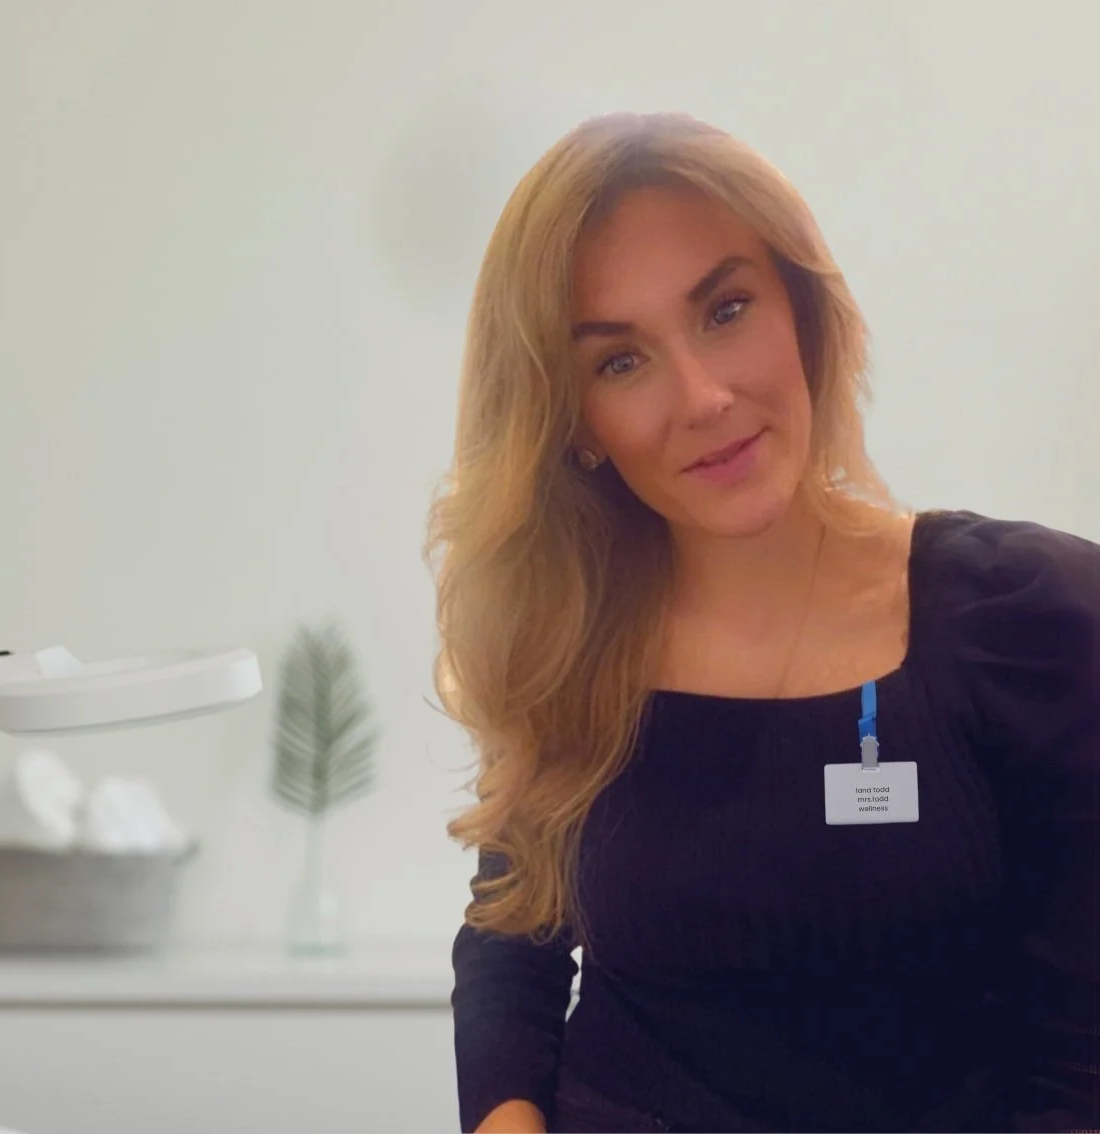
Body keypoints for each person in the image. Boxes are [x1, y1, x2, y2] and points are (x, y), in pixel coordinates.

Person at [424, 111, 1098, 1133]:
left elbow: (1079, 1054)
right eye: (619, 362)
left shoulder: (1030, 618)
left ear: (803, 309)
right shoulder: (570, 643)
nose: (702, 398)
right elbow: (511, 934)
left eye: (725, 309)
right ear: (573, 424)